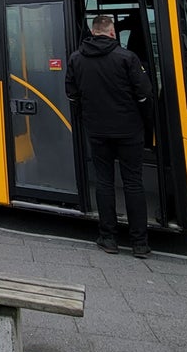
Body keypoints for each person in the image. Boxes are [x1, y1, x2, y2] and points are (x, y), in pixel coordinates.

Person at [65, 15, 155, 258]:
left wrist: (87, 118)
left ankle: (108, 238)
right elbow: (145, 95)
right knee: (133, 183)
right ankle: (139, 243)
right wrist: (147, 126)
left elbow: (72, 95)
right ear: (113, 33)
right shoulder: (127, 58)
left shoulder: (76, 59)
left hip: (97, 131)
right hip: (129, 131)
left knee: (104, 182)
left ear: (93, 32)